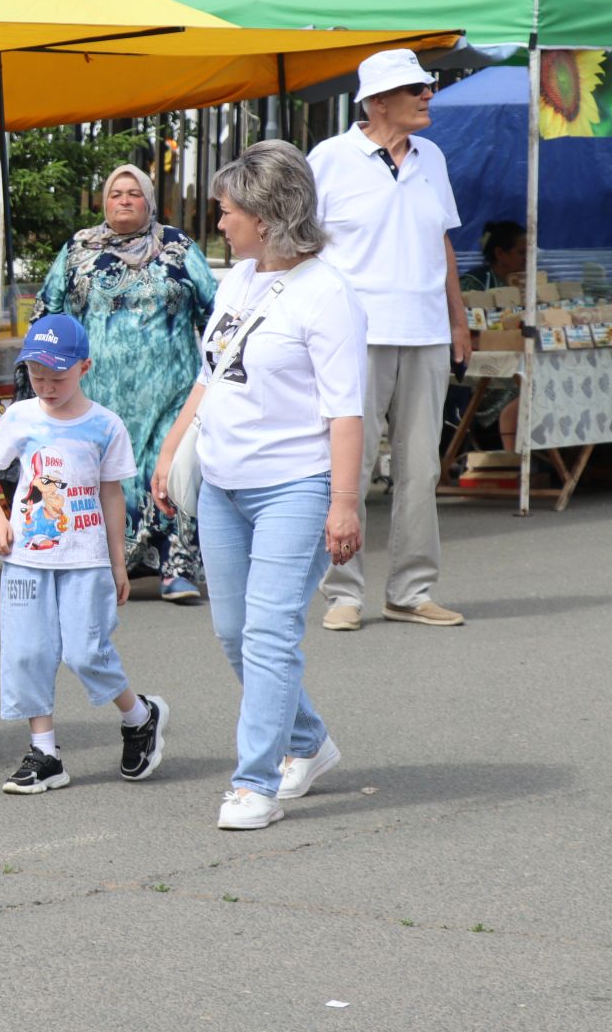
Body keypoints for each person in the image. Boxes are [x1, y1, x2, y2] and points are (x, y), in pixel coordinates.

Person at [152, 140, 366, 831]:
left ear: (268, 217)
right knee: (234, 633)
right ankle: (308, 741)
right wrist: (171, 450)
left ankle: (253, 784)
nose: (219, 222)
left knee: (270, 634)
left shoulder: (328, 294)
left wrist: (343, 504)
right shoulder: (237, 280)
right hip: (222, 483)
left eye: (228, 211)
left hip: (295, 487)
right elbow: (210, 375)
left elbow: (345, 413)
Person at [0, 314, 170, 794]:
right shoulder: (21, 416)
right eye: (36, 374)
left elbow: (112, 495)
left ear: (85, 367)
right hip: (27, 558)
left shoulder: (106, 425)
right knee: (27, 652)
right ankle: (44, 753)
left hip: (86, 558)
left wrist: (119, 562)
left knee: (87, 653)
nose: (45, 386)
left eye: (57, 377)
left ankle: (140, 716)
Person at [308, 49, 466, 632]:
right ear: (376, 101)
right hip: (354, 334)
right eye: (415, 88)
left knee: (421, 469)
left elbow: (442, 242)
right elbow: (301, 245)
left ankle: (411, 591)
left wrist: (458, 322)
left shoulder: (432, 157)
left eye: (427, 85)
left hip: (426, 332)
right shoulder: (328, 159)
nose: (428, 95)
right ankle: (342, 593)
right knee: (348, 468)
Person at [32, 165, 219, 603]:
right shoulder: (79, 248)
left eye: (134, 193)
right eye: (116, 193)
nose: (124, 200)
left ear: (149, 201)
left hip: (171, 393)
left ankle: (177, 568)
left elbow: (215, 311)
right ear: (104, 201)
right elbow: (48, 312)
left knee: (171, 471)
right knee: (105, 476)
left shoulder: (177, 247)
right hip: (98, 396)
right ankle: (107, 566)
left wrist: (216, 373)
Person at [458, 221, 526, 450]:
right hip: (480, 369)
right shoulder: (473, 283)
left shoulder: (525, 284)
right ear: (500, 254)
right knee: (524, 383)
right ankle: (510, 450)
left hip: (514, 357)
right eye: (521, 253)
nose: (528, 259)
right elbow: (462, 332)